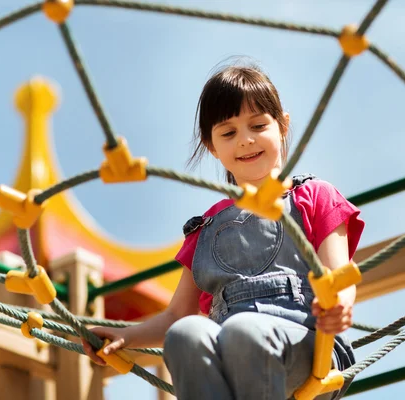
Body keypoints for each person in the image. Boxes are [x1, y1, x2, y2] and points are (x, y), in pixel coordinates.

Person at [81, 60, 365, 400]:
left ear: (283, 125)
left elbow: (339, 277)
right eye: (228, 133)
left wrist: (340, 305)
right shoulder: (206, 227)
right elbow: (176, 314)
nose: (245, 140)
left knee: (244, 330)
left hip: (309, 346)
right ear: (212, 146)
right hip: (233, 355)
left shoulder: (314, 196)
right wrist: (126, 336)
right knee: (186, 333)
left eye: (258, 125)